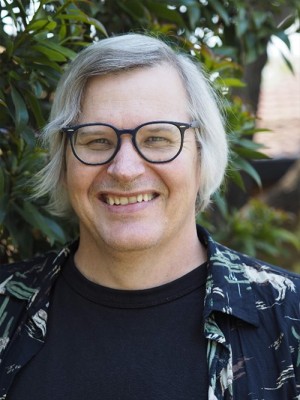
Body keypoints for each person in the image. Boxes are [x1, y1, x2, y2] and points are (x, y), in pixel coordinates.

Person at [0, 33, 299, 400]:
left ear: (201, 154)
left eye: (158, 138)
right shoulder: (6, 311)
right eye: (97, 141)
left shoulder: (289, 317)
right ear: (64, 161)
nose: (125, 169)